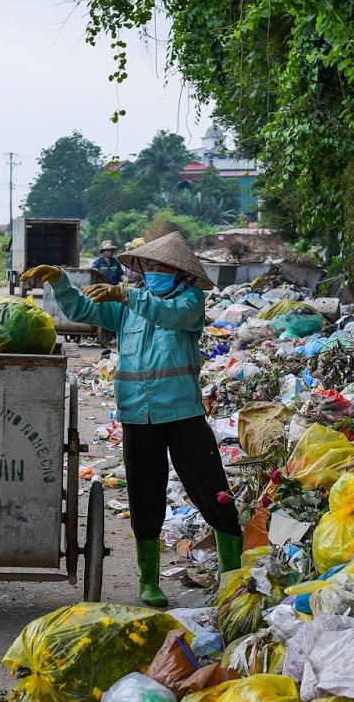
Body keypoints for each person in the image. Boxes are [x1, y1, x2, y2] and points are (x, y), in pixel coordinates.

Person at [22, 232, 241, 608]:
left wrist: (128, 295)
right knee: (144, 495)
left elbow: (172, 316)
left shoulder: (190, 301)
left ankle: (233, 576)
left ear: (178, 273)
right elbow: (81, 311)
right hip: (136, 414)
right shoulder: (127, 306)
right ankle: (149, 581)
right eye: (149, 266)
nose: (153, 272)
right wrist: (59, 280)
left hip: (183, 414)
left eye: (161, 267)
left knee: (212, 489)